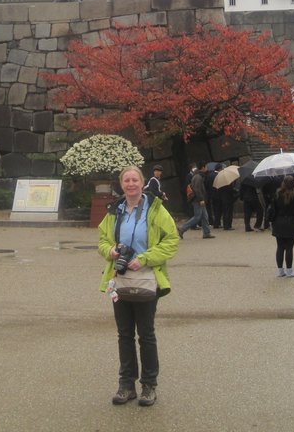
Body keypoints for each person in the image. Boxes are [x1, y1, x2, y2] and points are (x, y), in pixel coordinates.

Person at [98, 165, 179, 407]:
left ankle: (148, 385)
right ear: (121, 184)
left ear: (142, 183)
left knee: (146, 334)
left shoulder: (155, 209)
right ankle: (126, 384)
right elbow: (102, 240)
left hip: (146, 278)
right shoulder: (115, 210)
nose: (131, 184)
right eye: (126, 180)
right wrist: (110, 250)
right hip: (119, 278)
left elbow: (172, 240)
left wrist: (144, 258)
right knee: (124, 334)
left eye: (135, 180)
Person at [269, 175, 294, 277]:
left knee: (280, 247)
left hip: (279, 221)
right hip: (291, 221)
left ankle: (280, 270)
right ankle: (289, 270)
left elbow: (273, 207)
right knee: (289, 247)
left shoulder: (278, 193)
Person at [177, 163, 215, 239]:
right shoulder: (198, 177)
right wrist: (201, 199)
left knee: (204, 216)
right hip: (197, 200)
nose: (207, 168)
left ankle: (206, 233)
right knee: (197, 217)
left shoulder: (197, 175)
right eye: (206, 167)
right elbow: (197, 189)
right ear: (203, 167)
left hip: (198, 199)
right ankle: (182, 228)